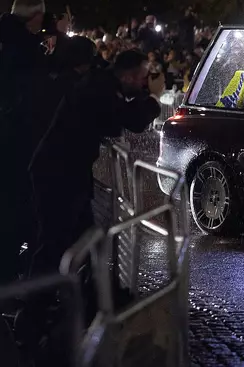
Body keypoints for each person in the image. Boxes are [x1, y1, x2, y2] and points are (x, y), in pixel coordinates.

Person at [28, 49, 164, 276]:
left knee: (84, 238)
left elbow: (123, 111)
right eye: (142, 78)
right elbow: (129, 119)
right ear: (127, 76)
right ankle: (39, 294)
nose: (144, 83)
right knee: (55, 242)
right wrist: (154, 97)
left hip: (68, 172)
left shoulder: (102, 82)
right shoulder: (101, 89)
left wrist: (147, 95)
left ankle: (85, 288)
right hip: (58, 174)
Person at [0, 0, 67, 284]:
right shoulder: (25, 49)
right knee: (18, 211)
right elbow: (48, 83)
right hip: (20, 140)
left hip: (9, 136)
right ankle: (12, 281)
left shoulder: (9, 41)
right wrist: (59, 35)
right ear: (36, 17)